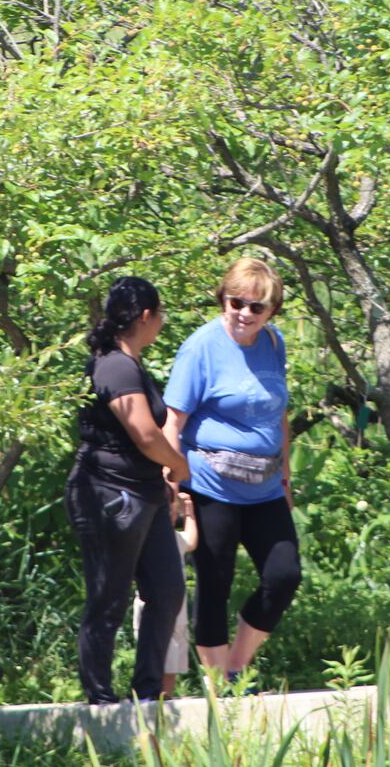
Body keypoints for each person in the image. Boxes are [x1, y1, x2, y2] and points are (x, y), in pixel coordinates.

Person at [162, 257, 302, 685]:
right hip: (210, 481)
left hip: (265, 485)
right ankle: (217, 682)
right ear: (223, 299)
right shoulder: (202, 346)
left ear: (271, 311)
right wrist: (172, 486)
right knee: (215, 580)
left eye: (256, 307)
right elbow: (173, 422)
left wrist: (286, 476)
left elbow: (279, 415)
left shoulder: (273, 343)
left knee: (284, 575)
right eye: (235, 302)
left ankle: (237, 668)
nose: (244, 313)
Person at [65, 275, 192, 704]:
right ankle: (99, 700)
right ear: (145, 316)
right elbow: (144, 434)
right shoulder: (115, 365)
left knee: (168, 590)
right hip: (109, 495)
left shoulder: (129, 361)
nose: (161, 324)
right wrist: (179, 465)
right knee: (109, 597)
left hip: (145, 493)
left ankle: (149, 690)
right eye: (160, 316)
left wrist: (162, 479)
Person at [131, 492, 200, 696]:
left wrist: (190, 511)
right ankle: (149, 696)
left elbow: (192, 540)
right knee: (158, 656)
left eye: (171, 509)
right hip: (153, 609)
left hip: (178, 613)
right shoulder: (143, 539)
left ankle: (165, 698)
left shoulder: (175, 539)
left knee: (174, 663)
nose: (169, 512)